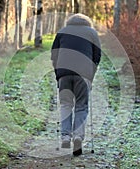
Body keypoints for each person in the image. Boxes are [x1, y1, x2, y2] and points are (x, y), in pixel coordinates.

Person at [51, 13, 101, 156]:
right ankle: (78, 137)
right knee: (81, 106)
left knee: (66, 104)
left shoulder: (62, 32)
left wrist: (58, 74)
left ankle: (65, 136)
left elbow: (54, 55)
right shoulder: (92, 32)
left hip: (64, 73)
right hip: (83, 74)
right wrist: (91, 75)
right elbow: (97, 56)